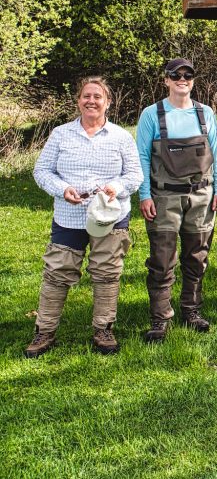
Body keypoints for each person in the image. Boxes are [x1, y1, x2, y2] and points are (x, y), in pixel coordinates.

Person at [26, 77, 142, 358]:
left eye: (98, 97)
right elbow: (42, 171)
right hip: (69, 215)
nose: (92, 101)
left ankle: (103, 330)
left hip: (109, 217)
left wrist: (117, 187)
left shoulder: (121, 136)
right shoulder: (60, 134)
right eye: (86, 96)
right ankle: (44, 332)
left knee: (106, 272)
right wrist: (62, 189)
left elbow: (135, 175)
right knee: (57, 272)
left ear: (108, 103)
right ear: (78, 101)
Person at [136, 58, 217, 343]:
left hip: (201, 195)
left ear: (193, 80)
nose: (182, 79)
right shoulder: (152, 114)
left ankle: (191, 310)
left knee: (197, 257)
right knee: (162, 260)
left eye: (188, 75)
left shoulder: (205, 113)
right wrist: (144, 194)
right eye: (176, 75)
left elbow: (216, 153)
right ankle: (160, 318)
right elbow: (141, 157)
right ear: (166, 80)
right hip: (164, 197)